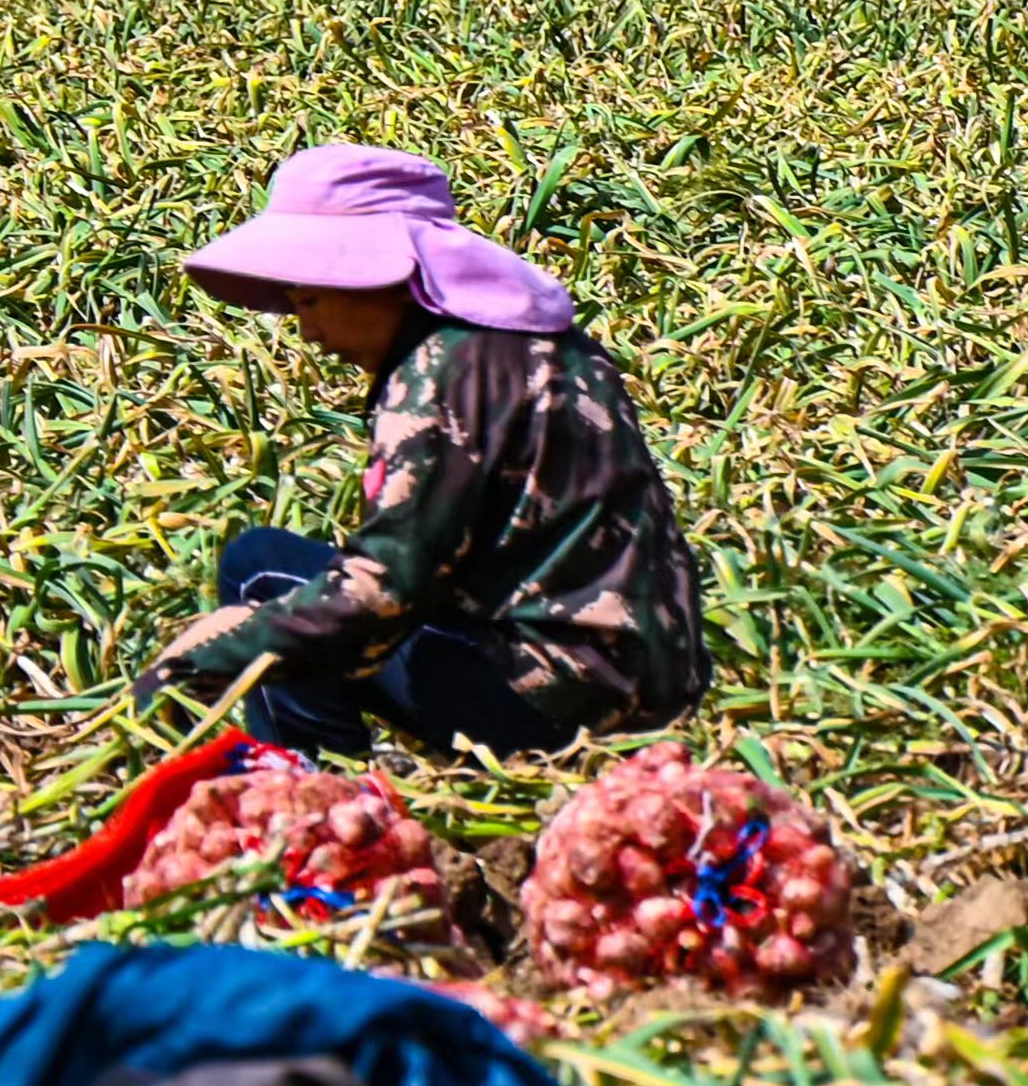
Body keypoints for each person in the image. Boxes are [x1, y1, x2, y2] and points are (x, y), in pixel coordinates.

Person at [156, 144, 710, 759]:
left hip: (560, 701)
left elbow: (381, 597)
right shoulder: (543, 345)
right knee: (288, 589)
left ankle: (305, 790)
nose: (308, 332)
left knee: (259, 570)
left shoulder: (439, 375)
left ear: (381, 280)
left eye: (309, 301)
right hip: (651, 680)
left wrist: (212, 654)